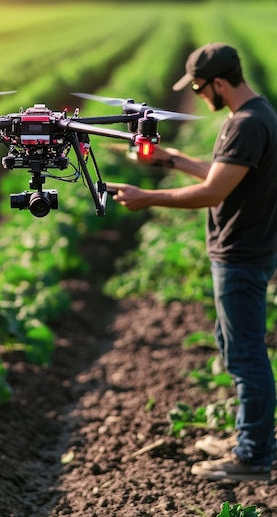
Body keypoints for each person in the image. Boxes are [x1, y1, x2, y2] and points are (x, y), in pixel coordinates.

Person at [106, 42, 277, 482]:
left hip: (241, 253)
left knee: (246, 356)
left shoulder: (248, 124)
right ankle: (249, 436)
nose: (200, 95)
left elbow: (214, 193)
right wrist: (171, 160)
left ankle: (254, 456)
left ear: (220, 83)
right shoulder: (251, 116)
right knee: (233, 347)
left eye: (201, 88)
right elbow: (223, 174)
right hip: (241, 251)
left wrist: (150, 198)